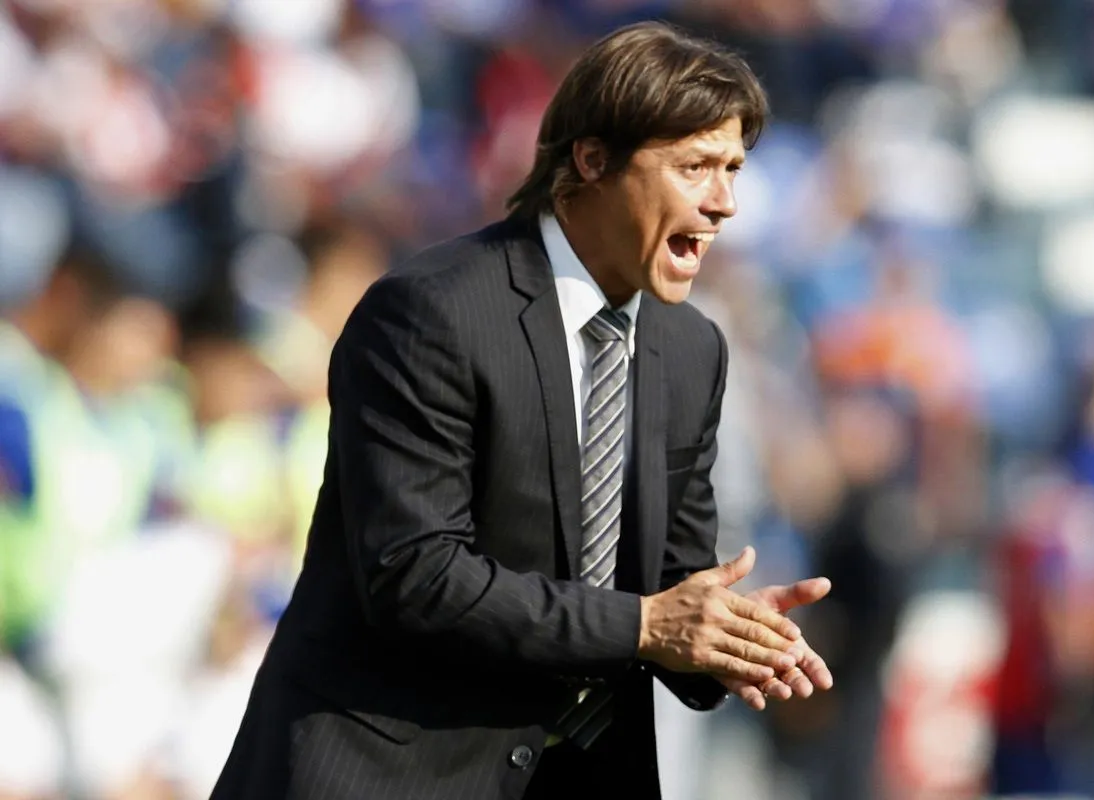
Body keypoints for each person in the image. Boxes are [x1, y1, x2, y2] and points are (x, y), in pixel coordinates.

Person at [211, 21, 834, 800]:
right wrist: (646, 626)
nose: (725, 203)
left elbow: (671, 589)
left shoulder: (691, 349)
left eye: (733, 169)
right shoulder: (430, 313)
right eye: (695, 167)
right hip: (391, 777)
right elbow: (415, 576)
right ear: (592, 160)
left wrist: (732, 639)